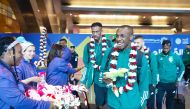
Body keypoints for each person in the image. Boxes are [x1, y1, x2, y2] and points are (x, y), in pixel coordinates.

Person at [101, 25, 149, 109]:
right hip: (112, 103)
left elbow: (144, 84)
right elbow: (102, 71)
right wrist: (104, 78)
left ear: (131, 37)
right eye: (117, 36)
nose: (118, 39)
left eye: (122, 36)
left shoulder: (140, 57)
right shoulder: (109, 52)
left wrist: (141, 104)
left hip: (132, 104)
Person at [0, 37, 53, 109]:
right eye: (19, 52)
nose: (22, 55)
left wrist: (33, 90)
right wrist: (46, 105)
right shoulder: (3, 74)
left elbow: (17, 84)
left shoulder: (7, 69)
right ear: (10, 53)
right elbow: (19, 102)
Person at [81, 22, 112, 109]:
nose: (95, 34)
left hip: (109, 78)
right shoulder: (88, 46)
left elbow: (115, 60)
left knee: (110, 103)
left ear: (101, 31)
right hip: (96, 79)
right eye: (93, 32)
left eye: (97, 31)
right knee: (99, 101)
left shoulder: (109, 44)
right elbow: (86, 64)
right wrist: (84, 81)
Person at [156, 40, 185, 109]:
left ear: (170, 47)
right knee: (158, 101)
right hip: (160, 84)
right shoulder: (157, 56)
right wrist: (155, 80)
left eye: (167, 46)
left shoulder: (175, 56)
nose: (165, 47)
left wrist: (178, 80)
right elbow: (154, 69)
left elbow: (182, 67)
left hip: (172, 83)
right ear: (162, 46)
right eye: (164, 46)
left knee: (170, 103)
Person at [134, 35, 158, 109]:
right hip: (138, 84)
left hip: (149, 84)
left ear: (143, 43)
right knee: (139, 103)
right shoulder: (133, 55)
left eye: (138, 42)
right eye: (135, 43)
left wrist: (154, 85)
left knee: (150, 105)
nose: (136, 44)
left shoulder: (150, 54)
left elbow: (155, 70)